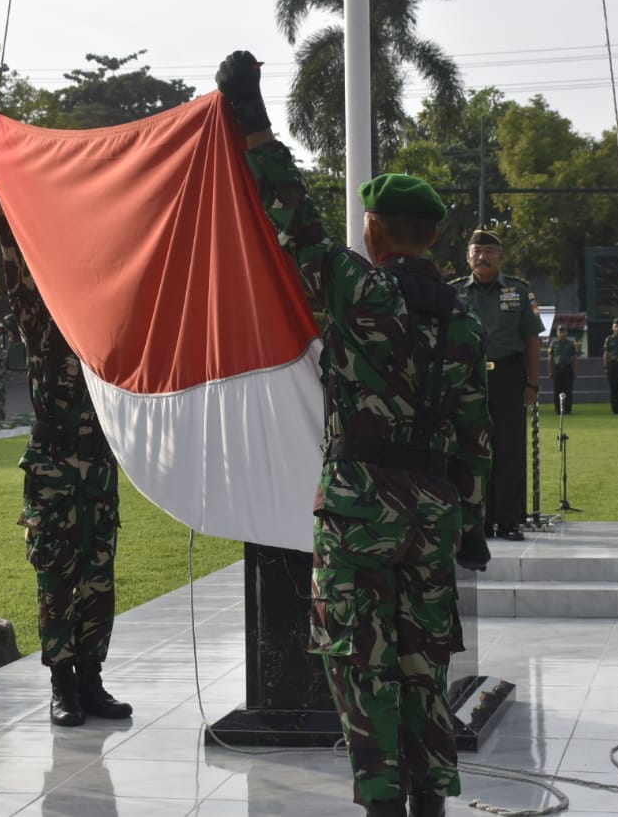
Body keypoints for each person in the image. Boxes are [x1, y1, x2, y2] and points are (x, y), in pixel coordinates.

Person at [217, 49, 492, 817]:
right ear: (432, 238)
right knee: (422, 662)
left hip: (361, 502)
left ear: (373, 230)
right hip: (432, 508)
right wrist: (467, 521)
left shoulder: (358, 290)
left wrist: (252, 114)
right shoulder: (464, 322)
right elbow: (476, 432)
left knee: (361, 662)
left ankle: (380, 803)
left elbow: (293, 218)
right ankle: (430, 801)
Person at [0, 158, 133, 729]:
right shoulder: (44, 324)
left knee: (98, 576)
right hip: (52, 468)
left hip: (98, 466)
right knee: (57, 577)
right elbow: (16, 264)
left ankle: (91, 680)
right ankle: (62, 685)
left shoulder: (113, 330)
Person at [452, 229, 543, 542]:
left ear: (501, 256)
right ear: (468, 257)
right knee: (468, 449)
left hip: (508, 378)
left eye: (489, 251)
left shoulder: (519, 292)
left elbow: (532, 339)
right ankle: (474, 521)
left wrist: (532, 382)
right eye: (476, 251)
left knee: (508, 450)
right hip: (467, 378)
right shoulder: (455, 293)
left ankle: (507, 520)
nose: (482, 256)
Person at [548, 321, 577, 415]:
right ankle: (558, 410)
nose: (561, 334)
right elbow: (551, 358)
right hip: (557, 369)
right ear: (557, 333)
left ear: (566, 333)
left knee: (568, 390)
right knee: (557, 390)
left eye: (563, 332)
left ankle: (568, 409)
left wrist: (575, 371)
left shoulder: (571, 344)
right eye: (559, 332)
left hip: (567, 369)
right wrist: (551, 371)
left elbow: (575, 358)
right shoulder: (553, 344)